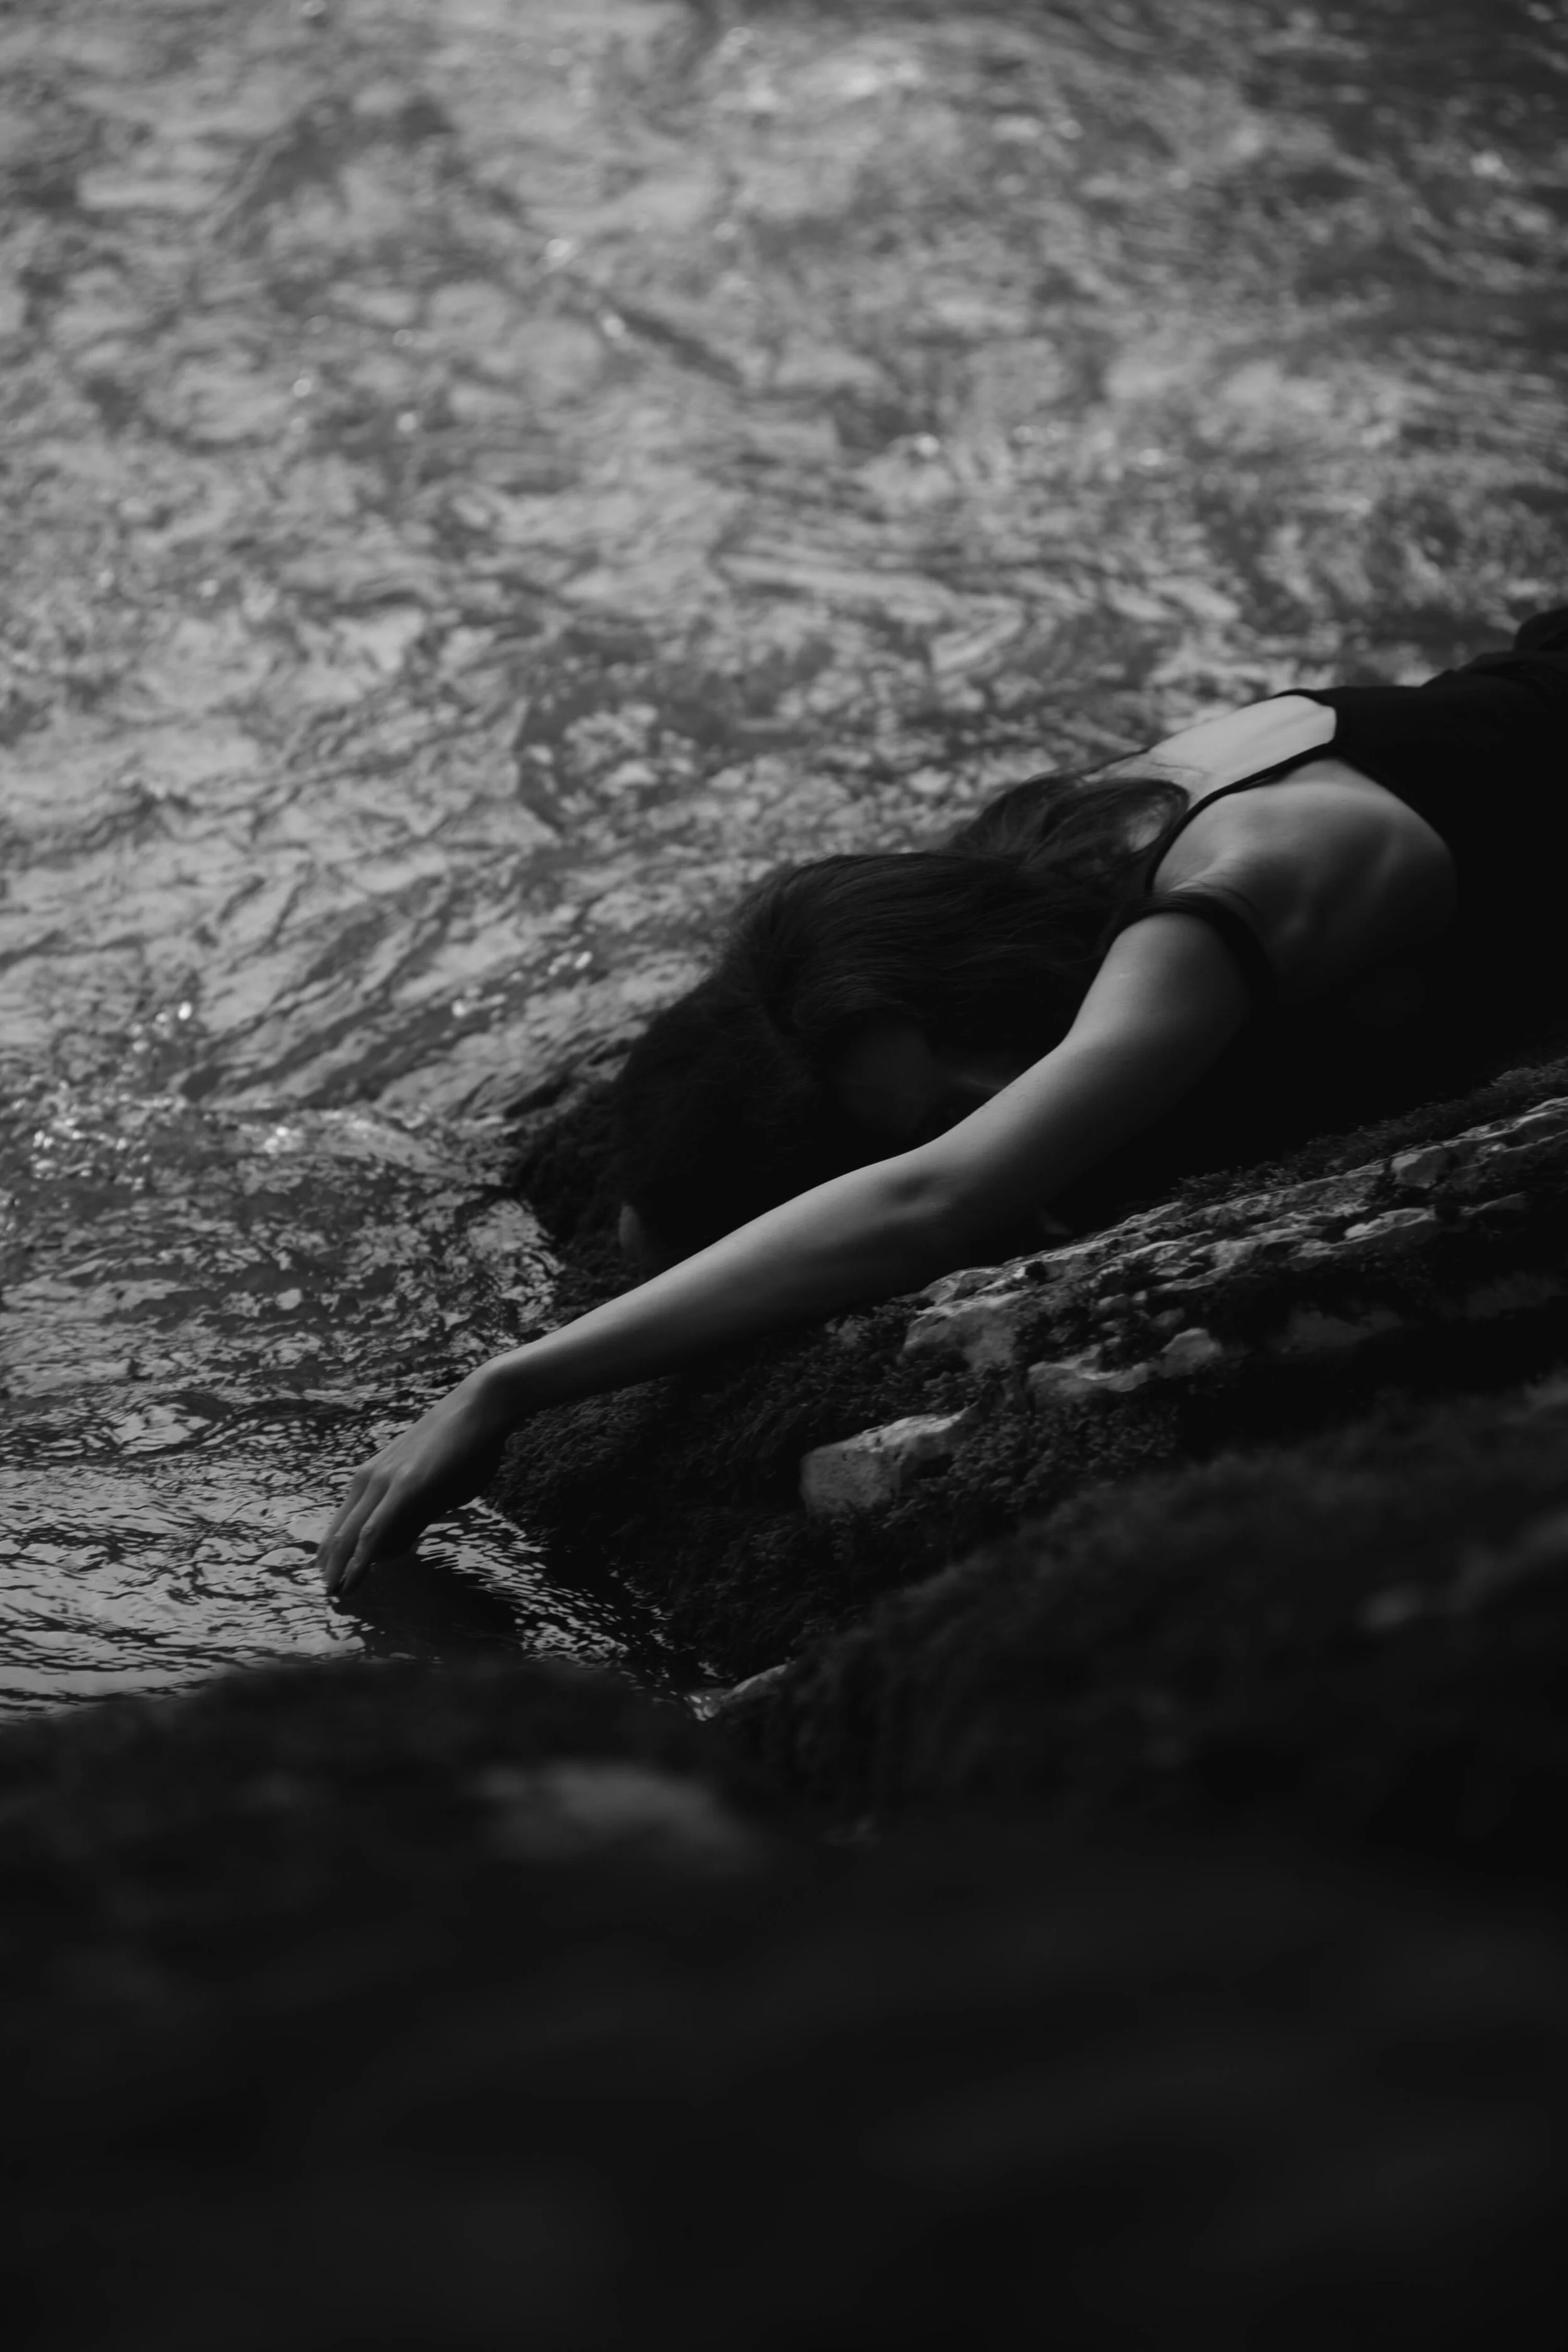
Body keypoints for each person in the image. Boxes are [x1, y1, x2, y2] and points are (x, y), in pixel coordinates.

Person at [318, 610, 1568, 1597]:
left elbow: (935, 1201)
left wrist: (507, 1386)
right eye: (931, 1112)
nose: (992, 1112)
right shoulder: (1083, 832)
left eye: (977, 1071)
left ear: (986, 972)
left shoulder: (1220, 895)